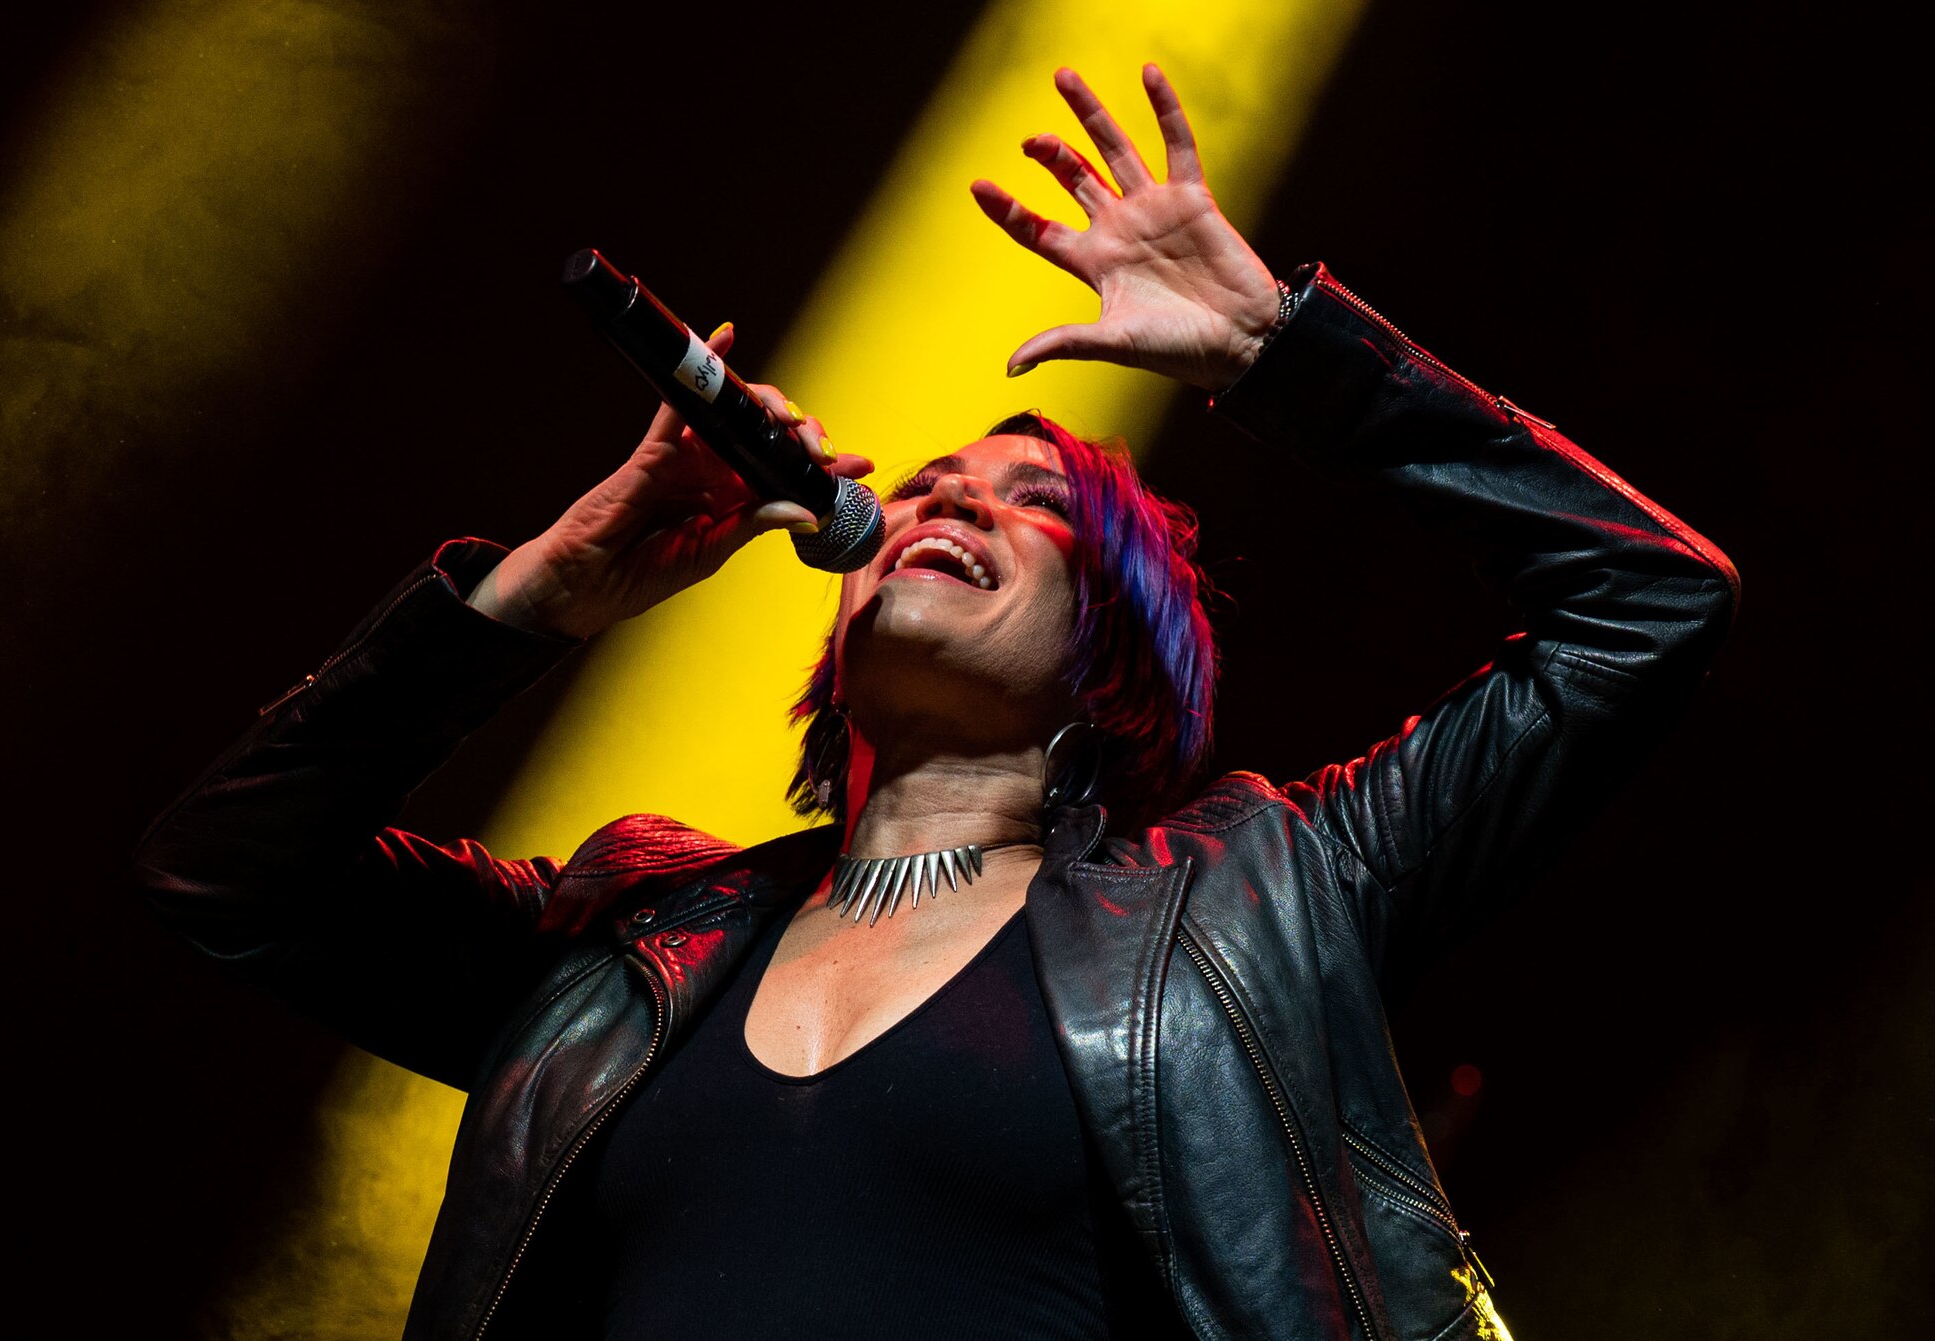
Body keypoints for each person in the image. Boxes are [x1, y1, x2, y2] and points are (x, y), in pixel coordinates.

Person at [136, 65, 1737, 1340]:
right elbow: (229, 872)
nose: (940, 501)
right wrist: (546, 585)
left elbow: (1648, 602)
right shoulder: (635, 934)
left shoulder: (1253, 896)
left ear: (1118, 640)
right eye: (920, 485)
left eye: (1026, 496)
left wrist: (1284, 350)